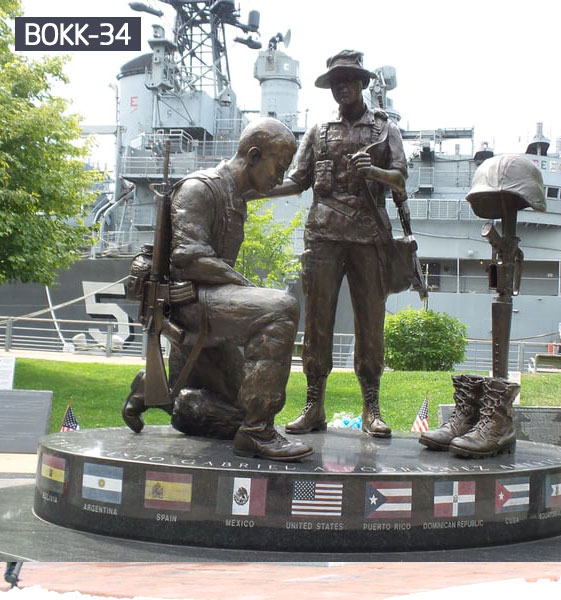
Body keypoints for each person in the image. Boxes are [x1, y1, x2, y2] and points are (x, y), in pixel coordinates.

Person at [122, 117, 312, 461]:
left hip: (210, 299)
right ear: (254, 156)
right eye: (278, 166)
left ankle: (162, 398)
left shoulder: (234, 194)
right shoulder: (201, 188)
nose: (280, 177)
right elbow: (190, 259)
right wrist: (245, 287)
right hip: (191, 301)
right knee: (281, 307)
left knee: (234, 412)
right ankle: (257, 432)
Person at [267, 50, 408, 438]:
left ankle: (372, 408)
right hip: (324, 236)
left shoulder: (384, 129)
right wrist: (253, 190)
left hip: (368, 237)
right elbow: (298, 180)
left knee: (370, 323)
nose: (342, 87)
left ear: (362, 83)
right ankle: (313, 405)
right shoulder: (318, 130)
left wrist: (375, 171)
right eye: (335, 82)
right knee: (317, 323)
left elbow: (400, 178)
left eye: (349, 80)